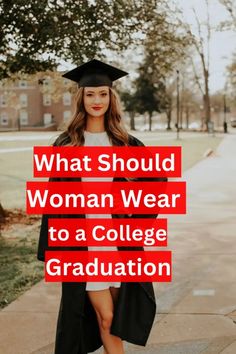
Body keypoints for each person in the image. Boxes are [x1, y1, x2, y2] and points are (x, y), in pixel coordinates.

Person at [37, 59, 166, 354]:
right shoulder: (66, 145)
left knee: (116, 319)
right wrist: (51, 251)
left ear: (111, 97)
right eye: (91, 94)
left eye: (103, 94)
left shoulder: (125, 143)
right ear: (81, 98)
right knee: (106, 318)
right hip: (84, 247)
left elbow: (158, 181)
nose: (97, 101)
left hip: (117, 244)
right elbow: (53, 202)